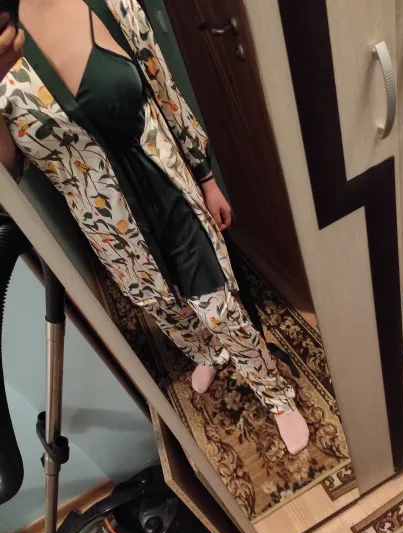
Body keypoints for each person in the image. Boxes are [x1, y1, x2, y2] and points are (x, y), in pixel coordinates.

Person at [0, 0, 309, 455]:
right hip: (113, 229)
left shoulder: (112, 4)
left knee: (219, 307)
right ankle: (209, 354)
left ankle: (276, 395)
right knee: (167, 310)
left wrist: (206, 176)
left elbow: (165, 91)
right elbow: (10, 171)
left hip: (169, 192)